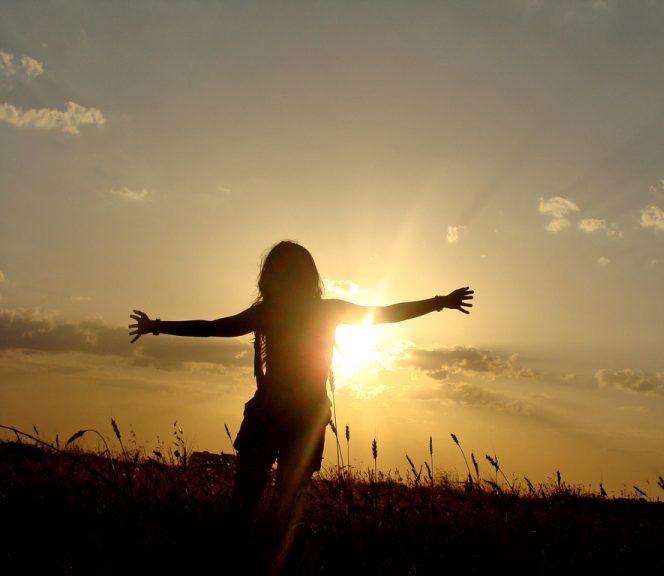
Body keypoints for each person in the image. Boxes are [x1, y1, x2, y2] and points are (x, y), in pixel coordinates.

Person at [129, 240, 473, 569]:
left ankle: (244, 560)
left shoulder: (271, 312)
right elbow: (384, 313)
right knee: (277, 510)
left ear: (270, 276)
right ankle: (260, 561)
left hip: (276, 415)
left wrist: (157, 326)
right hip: (299, 419)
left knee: (251, 507)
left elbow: (212, 328)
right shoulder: (316, 311)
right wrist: (440, 301)